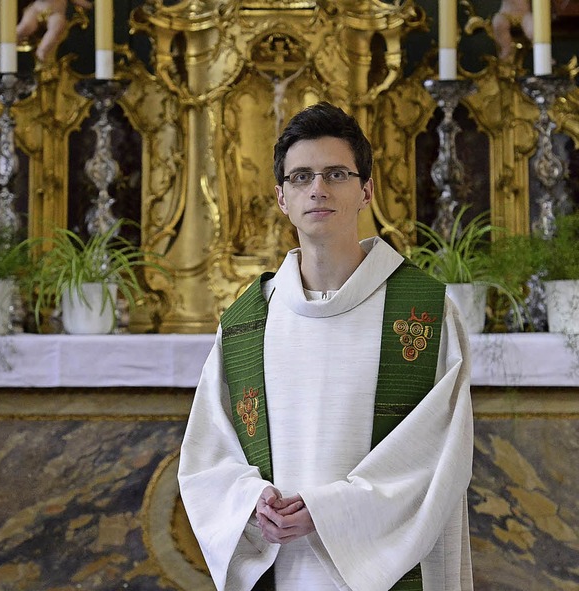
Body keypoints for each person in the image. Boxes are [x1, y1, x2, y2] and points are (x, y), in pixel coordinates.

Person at [178, 102, 474, 591]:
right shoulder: (249, 322)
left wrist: (328, 512)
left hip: (388, 569)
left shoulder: (424, 312)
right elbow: (208, 455)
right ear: (281, 198)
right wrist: (252, 502)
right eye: (300, 177)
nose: (318, 188)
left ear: (365, 191)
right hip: (285, 564)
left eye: (336, 173)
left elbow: (440, 452)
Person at [16, 0, 93, 63]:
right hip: (37, 8)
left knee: (56, 27)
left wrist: (89, 5)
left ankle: (42, 50)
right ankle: (9, 42)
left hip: (55, 13)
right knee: (26, 26)